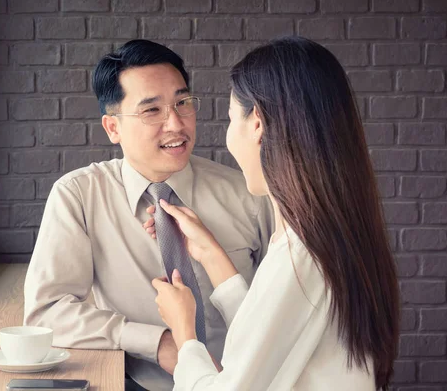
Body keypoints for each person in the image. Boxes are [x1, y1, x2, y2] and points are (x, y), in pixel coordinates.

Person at [149, 37, 400, 390]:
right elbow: (272, 338)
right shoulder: (325, 239)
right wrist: (211, 254)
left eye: (230, 118)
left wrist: (185, 333)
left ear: (257, 124)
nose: (227, 136)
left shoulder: (301, 257)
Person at [23, 40, 274, 391]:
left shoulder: (249, 193)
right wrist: (157, 343)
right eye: (152, 111)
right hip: (139, 384)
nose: (176, 123)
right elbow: (46, 314)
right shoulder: (80, 196)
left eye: (183, 103)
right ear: (113, 128)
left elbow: (279, 309)